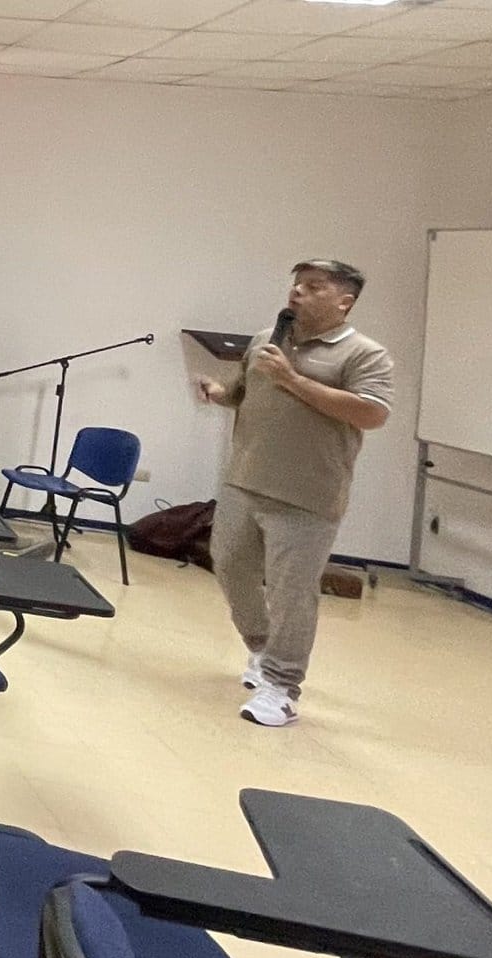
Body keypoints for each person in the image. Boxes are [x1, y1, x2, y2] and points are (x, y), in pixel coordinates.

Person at [196, 259, 392, 728]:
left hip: (308, 496)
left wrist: (293, 380)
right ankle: (262, 649)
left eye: (314, 286)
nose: (298, 292)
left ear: (344, 302)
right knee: (229, 566)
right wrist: (219, 392)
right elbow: (242, 392)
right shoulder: (267, 339)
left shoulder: (365, 354)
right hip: (245, 479)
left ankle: (282, 688)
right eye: (297, 284)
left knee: (291, 593)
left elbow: (372, 414)